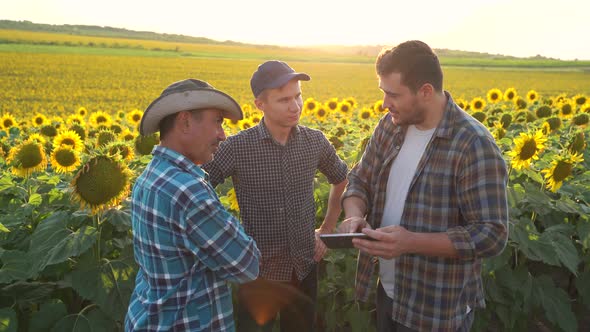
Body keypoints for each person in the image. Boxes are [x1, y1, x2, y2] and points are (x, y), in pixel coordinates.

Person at [338, 40, 509, 332]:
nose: (384, 103)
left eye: (393, 94)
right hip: (388, 292)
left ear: (426, 92)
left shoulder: (472, 144)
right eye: (383, 93)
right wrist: (354, 214)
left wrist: (410, 242)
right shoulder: (390, 126)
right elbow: (359, 180)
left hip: (435, 309)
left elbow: (491, 234)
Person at [202, 60, 348, 331]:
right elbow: (198, 187)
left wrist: (327, 229)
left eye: (298, 96)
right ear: (260, 104)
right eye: (283, 100)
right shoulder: (237, 147)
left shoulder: (314, 142)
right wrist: (226, 237)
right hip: (258, 274)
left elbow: (341, 179)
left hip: (304, 267)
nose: (295, 106)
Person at [125, 79, 261, 331]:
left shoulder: (150, 176)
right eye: (217, 122)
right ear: (185, 121)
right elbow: (247, 264)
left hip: (148, 318)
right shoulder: (187, 191)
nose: (222, 135)